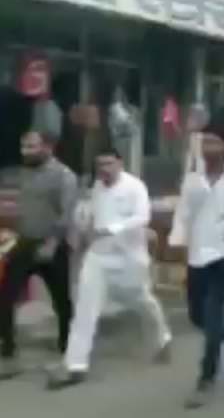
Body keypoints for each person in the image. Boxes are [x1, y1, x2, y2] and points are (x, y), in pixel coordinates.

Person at [48, 147, 172, 389]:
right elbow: (88, 219)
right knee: (85, 309)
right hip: (98, 257)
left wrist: (111, 229)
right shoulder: (95, 189)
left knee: (141, 300)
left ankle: (163, 337)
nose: (104, 169)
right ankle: (75, 365)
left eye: (109, 164)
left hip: (129, 259)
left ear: (120, 164)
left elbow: (142, 217)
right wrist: (81, 232)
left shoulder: (135, 187)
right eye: (100, 165)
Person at [167, 122, 224, 408]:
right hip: (197, 255)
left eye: (214, 142)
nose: (208, 149)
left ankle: (206, 379)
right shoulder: (192, 180)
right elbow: (183, 216)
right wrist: (178, 249)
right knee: (197, 316)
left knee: (213, 311)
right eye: (204, 142)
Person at [0, 131, 77, 380]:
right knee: (5, 296)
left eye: (32, 147)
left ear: (47, 148)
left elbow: (66, 214)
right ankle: (8, 352)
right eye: (23, 146)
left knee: (61, 301)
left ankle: (68, 347)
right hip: (25, 242)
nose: (26, 151)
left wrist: (53, 243)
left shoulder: (63, 176)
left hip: (52, 244)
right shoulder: (25, 172)